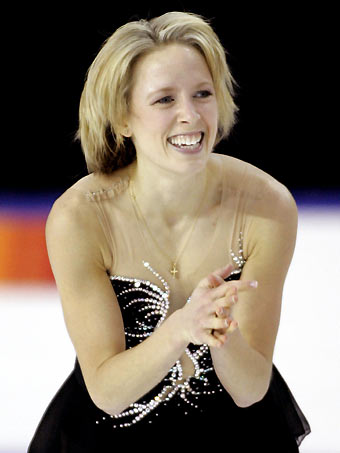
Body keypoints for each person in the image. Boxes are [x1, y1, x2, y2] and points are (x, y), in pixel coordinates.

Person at [28, 11, 310, 452]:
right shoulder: (80, 218)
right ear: (123, 118)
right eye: (164, 100)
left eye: (203, 94)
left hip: (234, 437)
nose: (190, 116)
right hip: (109, 435)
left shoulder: (266, 208)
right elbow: (107, 392)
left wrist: (223, 335)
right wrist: (180, 329)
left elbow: (251, 388)